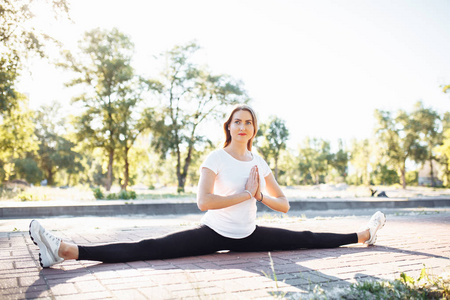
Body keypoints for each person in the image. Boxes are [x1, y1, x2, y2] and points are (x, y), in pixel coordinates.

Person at [29, 104, 386, 268]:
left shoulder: (259, 162)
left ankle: (362, 236)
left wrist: (260, 194)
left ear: (253, 129)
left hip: (250, 234)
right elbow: (203, 202)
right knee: (150, 247)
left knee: (307, 238)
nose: (242, 127)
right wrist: (244, 194)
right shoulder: (215, 158)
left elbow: (285, 205)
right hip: (213, 233)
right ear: (229, 126)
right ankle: (66, 251)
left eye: (248, 122)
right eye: (237, 121)